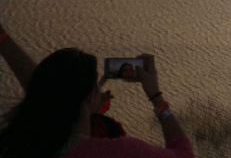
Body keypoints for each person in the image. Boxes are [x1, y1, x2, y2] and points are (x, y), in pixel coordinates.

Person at [0, 44, 193, 157]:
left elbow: (44, 91)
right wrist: (155, 96)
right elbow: (184, 154)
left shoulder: (20, 145)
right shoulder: (118, 151)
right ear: (90, 96)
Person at [0, 22, 128, 139]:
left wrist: (88, 106)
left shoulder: (31, 135)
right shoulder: (109, 133)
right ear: (89, 97)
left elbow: (43, 90)